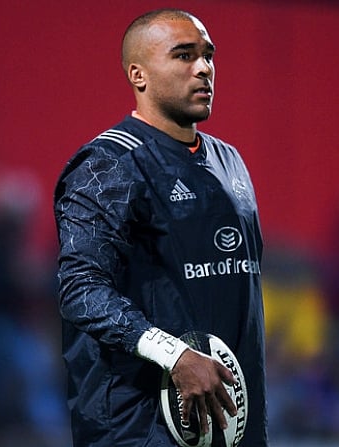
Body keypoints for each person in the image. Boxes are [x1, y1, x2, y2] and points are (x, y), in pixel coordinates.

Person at [53, 9, 267, 447]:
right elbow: (80, 289)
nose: (204, 68)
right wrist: (175, 355)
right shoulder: (108, 164)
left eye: (208, 55)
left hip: (232, 425)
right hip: (139, 428)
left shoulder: (231, 163)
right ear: (139, 74)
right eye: (184, 55)